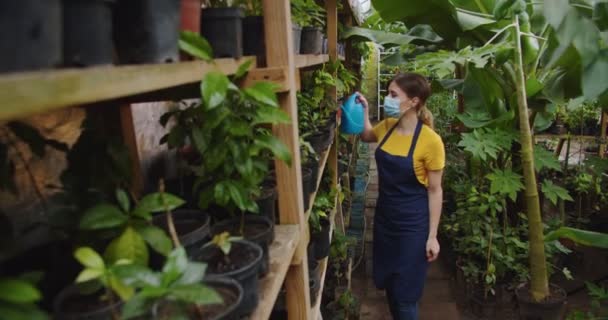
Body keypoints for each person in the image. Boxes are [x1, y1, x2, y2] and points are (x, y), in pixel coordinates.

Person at [357, 72, 445, 320]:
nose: (388, 99)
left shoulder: (431, 142)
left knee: (406, 294)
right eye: (388, 93)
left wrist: (432, 236)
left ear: (414, 101)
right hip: (385, 219)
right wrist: (363, 112)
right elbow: (366, 136)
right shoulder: (386, 127)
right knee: (390, 285)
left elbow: (435, 190)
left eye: (394, 95)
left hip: (412, 226)